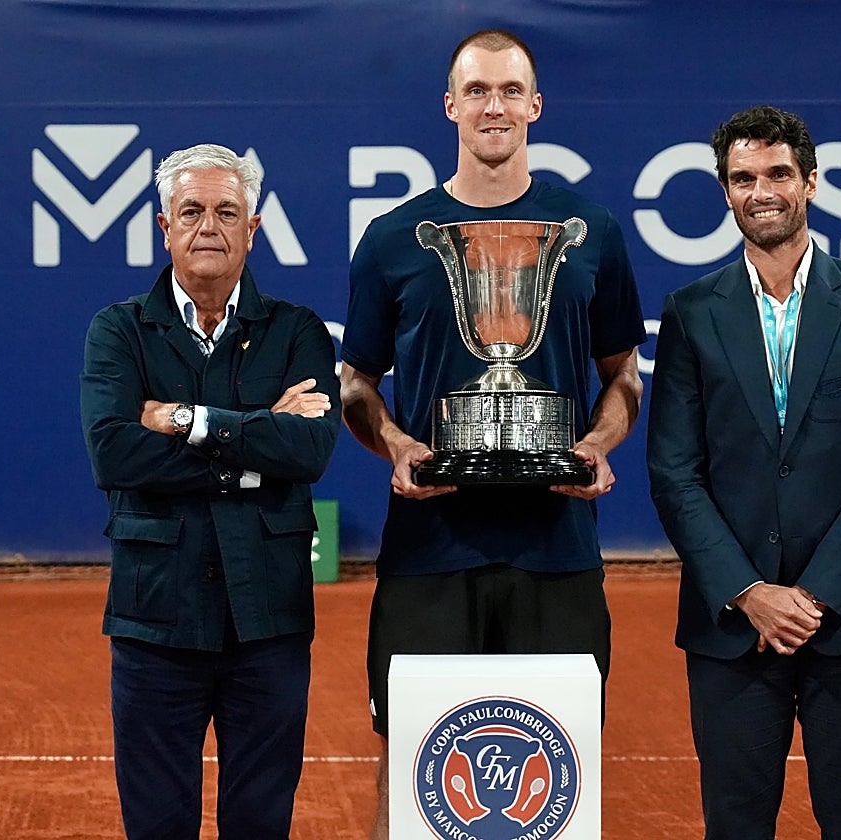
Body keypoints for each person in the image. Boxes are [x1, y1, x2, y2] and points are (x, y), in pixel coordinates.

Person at [339, 28, 646, 838]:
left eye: (510, 90)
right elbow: (356, 384)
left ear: (536, 106)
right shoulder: (392, 238)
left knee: (557, 766)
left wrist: (597, 444)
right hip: (429, 551)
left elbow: (623, 374)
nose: (494, 106)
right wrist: (398, 446)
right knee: (413, 759)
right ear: (450, 105)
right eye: (476, 90)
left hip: (557, 550)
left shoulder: (593, 230)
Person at [646, 105, 841, 839]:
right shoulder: (690, 312)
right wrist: (750, 593)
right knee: (734, 827)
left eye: (777, 173)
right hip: (732, 629)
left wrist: (812, 596)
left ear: (810, 182)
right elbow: (674, 471)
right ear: (725, 191)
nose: (761, 191)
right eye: (743, 178)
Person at [79, 143, 340, 839]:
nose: (208, 227)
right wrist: (256, 445)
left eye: (227, 212)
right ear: (164, 227)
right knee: (157, 824)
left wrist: (186, 420)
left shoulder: (299, 331)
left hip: (269, 621)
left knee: (261, 822)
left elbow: (309, 449)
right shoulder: (118, 331)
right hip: (155, 620)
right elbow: (114, 453)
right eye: (191, 211)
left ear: (253, 229)